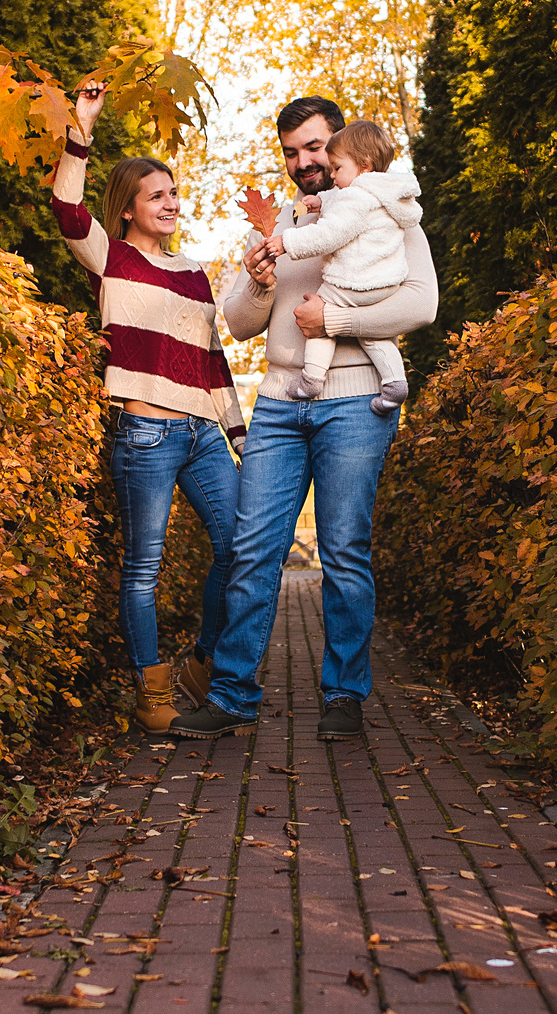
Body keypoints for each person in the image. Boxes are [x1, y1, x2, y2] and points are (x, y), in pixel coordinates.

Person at [172, 97, 437, 743]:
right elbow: (237, 322)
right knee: (252, 548)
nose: (303, 162)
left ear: (339, 143)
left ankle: (344, 694)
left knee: (345, 550)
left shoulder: (384, 207)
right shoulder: (283, 223)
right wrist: (259, 280)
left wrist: (337, 322)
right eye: (291, 152)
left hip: (355, 401)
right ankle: (232, 694)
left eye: (314, 147)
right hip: (281, 406)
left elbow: (421, 303)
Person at [48, 81, 245, 734]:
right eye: (156, 193)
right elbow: (67, 208)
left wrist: (239, 433)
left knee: (240, 544)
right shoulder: (113, 258)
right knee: (143, 569)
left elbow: (212, 357)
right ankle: (152, 689)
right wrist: (82, 127)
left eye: (174, 192)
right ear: (128, 208)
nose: (171, 201)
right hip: (146, 433)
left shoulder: (193, 271)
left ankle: (202, 661)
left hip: (202, 434)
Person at [264, 121, 421, 413]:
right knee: (374, 336)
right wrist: (319, 201)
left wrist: (287, 243)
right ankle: (395, 382)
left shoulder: (356, 199)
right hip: (385, 282)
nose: (332, 176)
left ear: (363, 165)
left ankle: (311, 379)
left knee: (319, 320)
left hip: (354, 282)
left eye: (337, 168)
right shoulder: (381, 191)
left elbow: (329, 234)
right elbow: (341, 197)